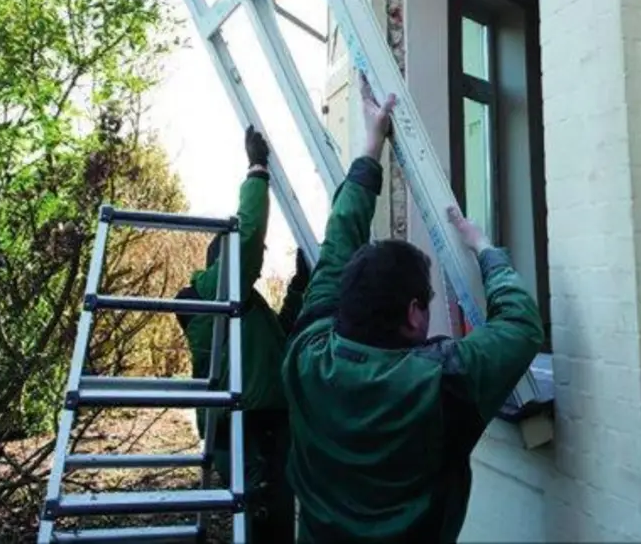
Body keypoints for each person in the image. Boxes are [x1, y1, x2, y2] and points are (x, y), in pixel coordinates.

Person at [282, 75, 545, 543]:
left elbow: (339, 238)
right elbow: (522, 326)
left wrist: (371, 145)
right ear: (412, 314)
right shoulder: (442, 384)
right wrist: (485, 248)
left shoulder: (305, 355)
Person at [175, 125, 309, 543]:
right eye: (249, 262)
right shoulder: (210, 291)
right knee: (262, 523)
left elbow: (279, 342)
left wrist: (300, 287)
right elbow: (248, 239)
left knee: (275, 523)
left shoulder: (245, 310)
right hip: (248, 430)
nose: (258, 263)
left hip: (268, 427)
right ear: (224, 260)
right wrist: (256, 169)